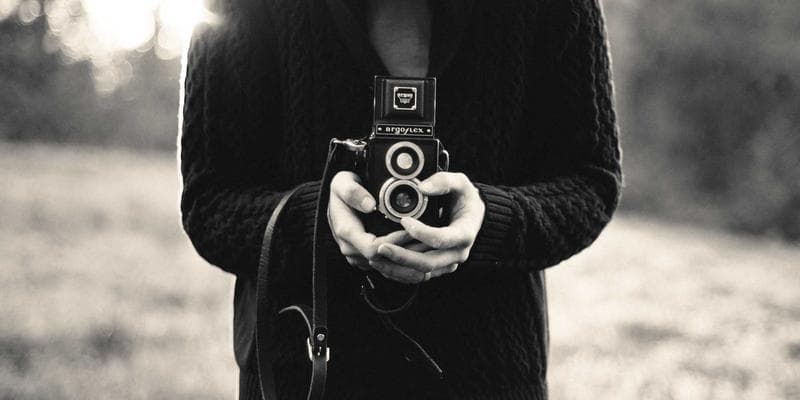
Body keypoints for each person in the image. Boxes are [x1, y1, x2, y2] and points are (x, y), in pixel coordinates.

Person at [179, 0, 622, 398]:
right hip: (305, 370)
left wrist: (489, 221)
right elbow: (209, 200)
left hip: (489, 371)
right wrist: (315, 222)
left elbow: (591, 180)